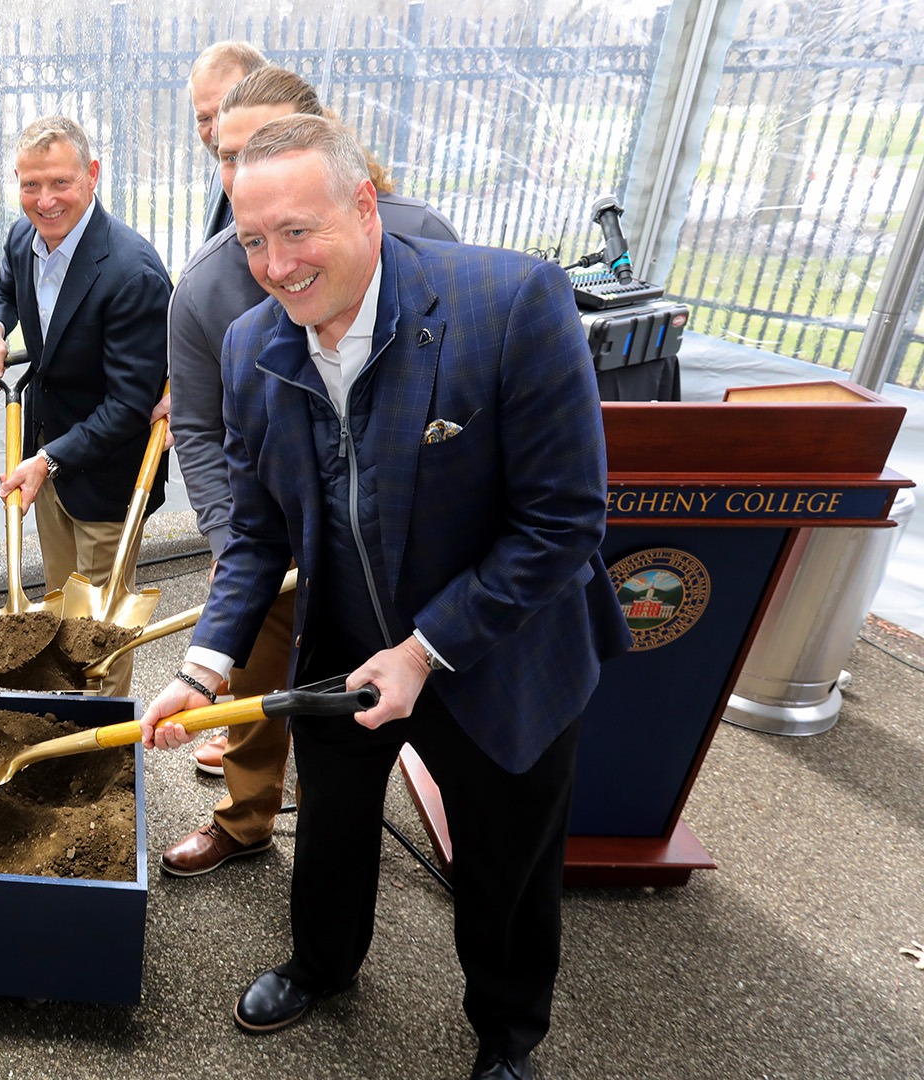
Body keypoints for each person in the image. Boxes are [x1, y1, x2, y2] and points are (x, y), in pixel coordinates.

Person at [139, 115, 630, 1080]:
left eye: (298, 231)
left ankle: (506, 1031)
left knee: (506, 862)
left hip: (500, 646)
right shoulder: (251, 347)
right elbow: (257, 532)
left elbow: (563, 525)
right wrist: (202, 666)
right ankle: (322, 964)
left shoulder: (510, 303)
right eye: (252, 239)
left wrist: (422, 652)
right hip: (345, 638)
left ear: (363, 205)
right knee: (330, 822)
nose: (276, 265)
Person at [161, 65, 461, 877]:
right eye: (224, 155)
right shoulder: (206, 286)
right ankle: (247, 816)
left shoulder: (419, 231)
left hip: (407, 555)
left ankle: (447, 811)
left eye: (258, 148)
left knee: (405, 707)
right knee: (261, 696)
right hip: (273, 542)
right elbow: (196, 424)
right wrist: (231, 540)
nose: (239, 174)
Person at [0, 115, 172, 698]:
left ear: (92, 175)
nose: (45, 199)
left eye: (59, 182)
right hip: (51, 458)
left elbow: (130, 404)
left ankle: (106, 740)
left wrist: (48, 460)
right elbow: (8, 286)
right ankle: (70, 709)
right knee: (64, 602)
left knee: (102, 626)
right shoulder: (23, 237)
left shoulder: (132, 273)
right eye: (30, 185)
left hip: (106, 475)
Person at [189, 40, 267, 240]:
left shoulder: (300, 185)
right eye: (204, 119)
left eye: (226, 111)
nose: (216, 131)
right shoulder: (221, 174)